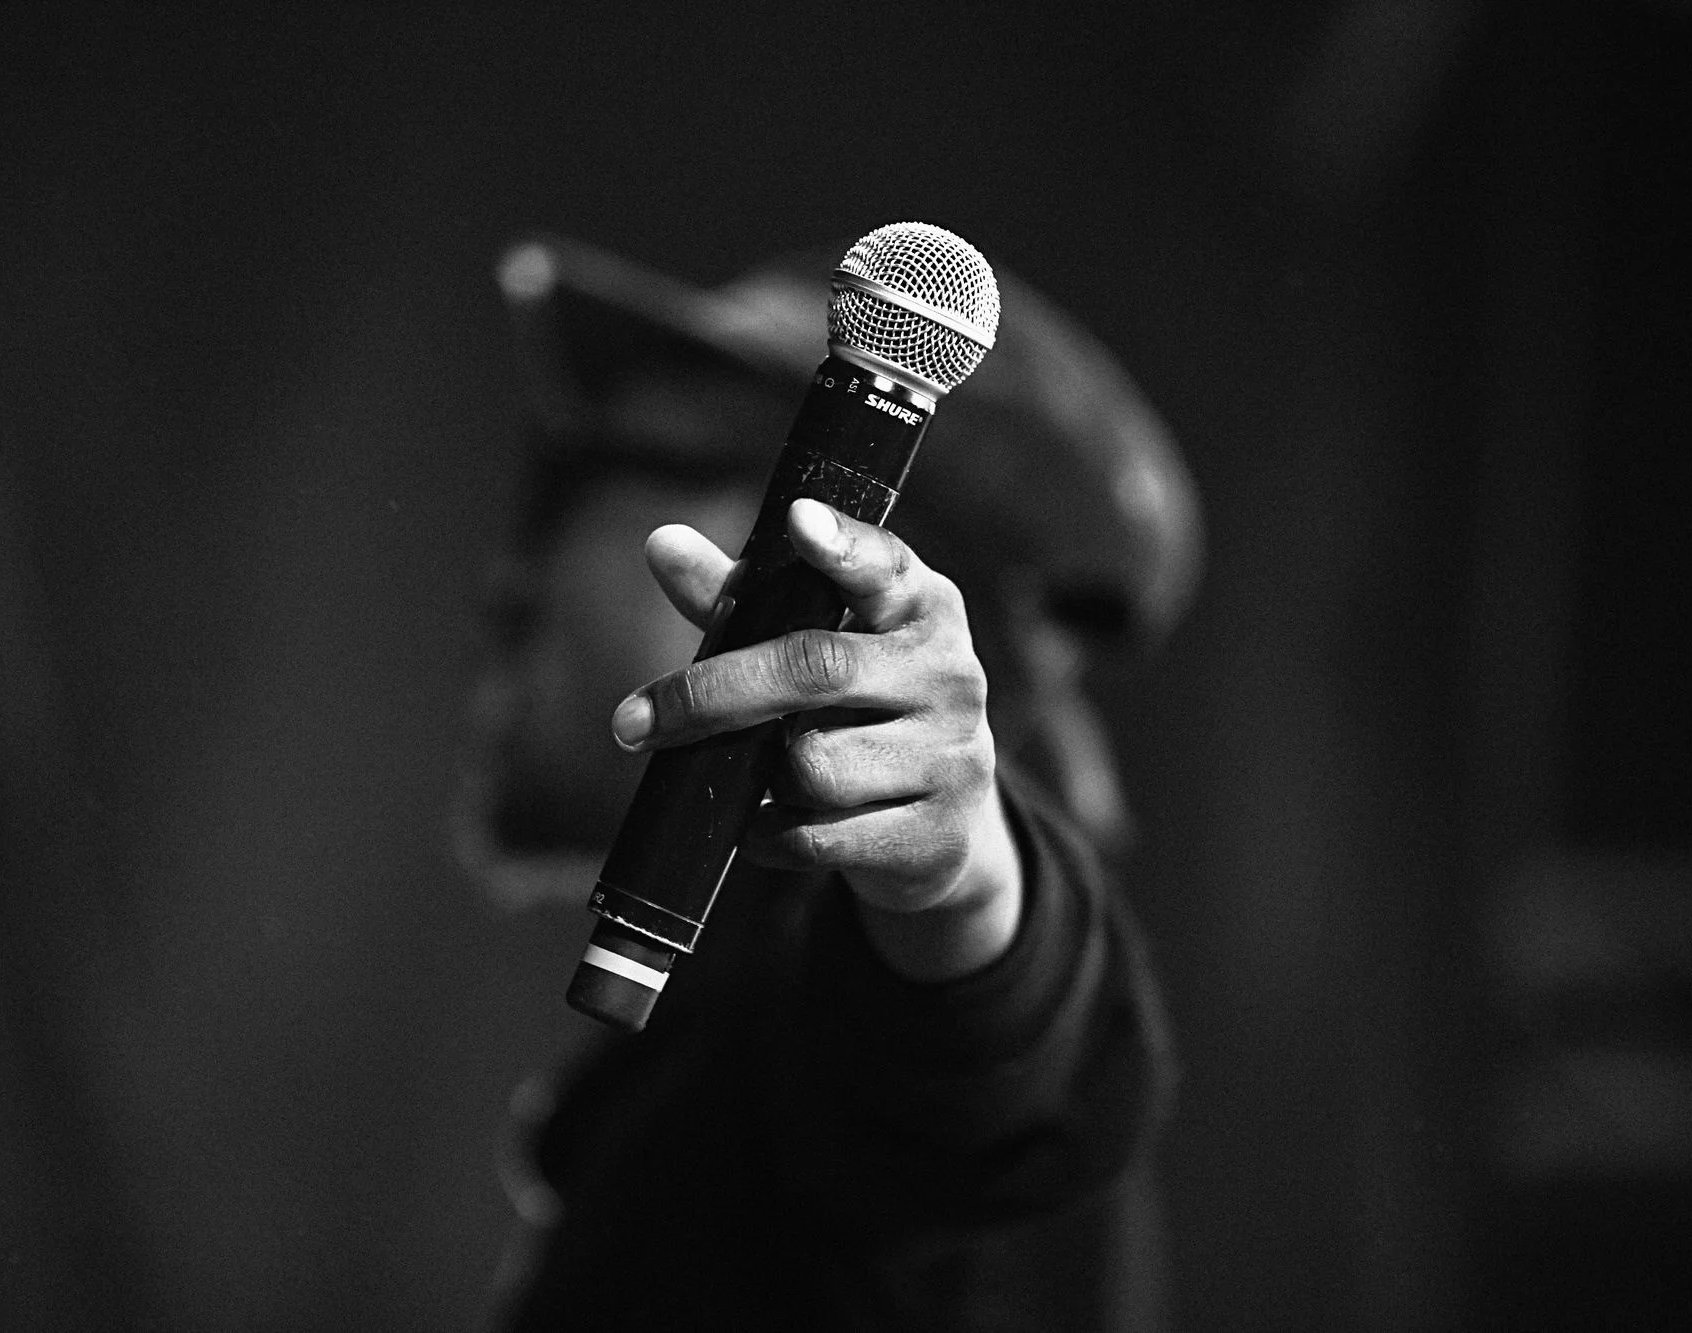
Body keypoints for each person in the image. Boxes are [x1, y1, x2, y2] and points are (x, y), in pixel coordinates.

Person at [458, 231, 1203, 1330]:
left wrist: (962, 891)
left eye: (580, 479)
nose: (509, 579)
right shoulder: (721, 1025)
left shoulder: (838, 970)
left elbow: (982, 1064)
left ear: (820, 558)